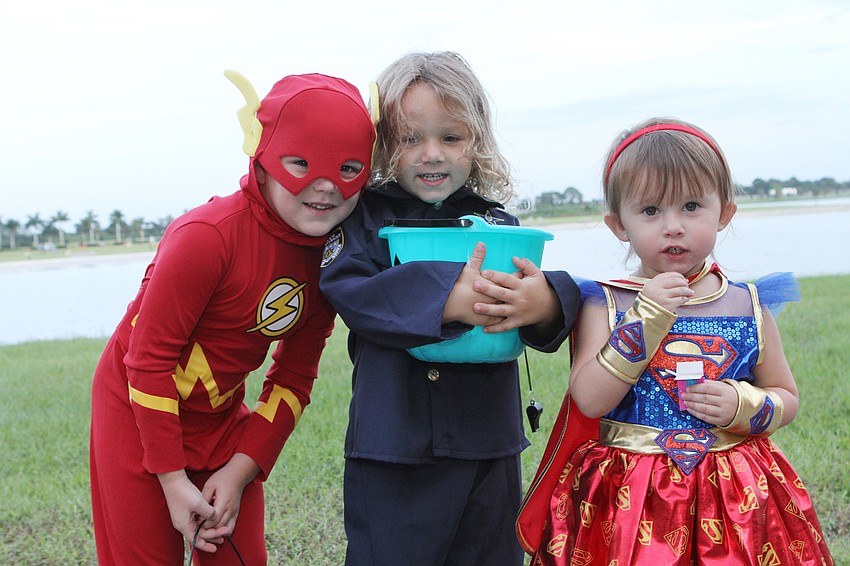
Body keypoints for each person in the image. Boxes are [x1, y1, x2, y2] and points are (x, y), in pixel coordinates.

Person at [89, 70, 376, 565]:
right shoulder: (206, 237)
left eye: (348, 168)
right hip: (135, 409)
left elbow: (293, 378)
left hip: (220, 420)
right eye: (300, 163)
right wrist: (172, 479)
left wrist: (241, 470)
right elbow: (148, 362)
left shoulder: (333, 257)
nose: (326, 186)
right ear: (261, 156)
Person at [518, 118, 834, 565]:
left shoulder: (748, 304)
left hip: (736, 495)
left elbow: (787, 396)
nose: (673, 226)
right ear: (619, 225)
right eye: (650, 211)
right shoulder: (605, 302)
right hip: (628, 496)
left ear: (724, 213)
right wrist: (647, 317)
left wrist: (743, 404)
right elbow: (588, 399)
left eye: (691, 206)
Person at [319, 51, 581, 565]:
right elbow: (352, 291)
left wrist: (546, 301)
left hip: (489, 440)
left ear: (476, 140)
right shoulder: (361, 219)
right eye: (409, 139)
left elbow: (534, 306)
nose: (431, 154)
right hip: (394, 442)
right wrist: (446, 296)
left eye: (451, 137)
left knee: (489, 555)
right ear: (382, 142)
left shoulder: (498, 224)